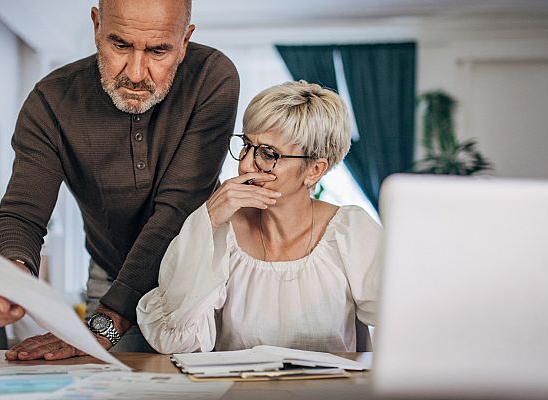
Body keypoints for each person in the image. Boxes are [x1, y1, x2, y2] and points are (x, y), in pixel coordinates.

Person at [0, 0, 239, 359]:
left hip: (198, 280)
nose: (137, 74)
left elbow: (178, 209)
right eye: (120, 45)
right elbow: (21, 213)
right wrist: (9, 272)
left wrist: (111, 318)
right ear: (96, 26)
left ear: (185, 41)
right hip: (109, 275)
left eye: (158, 50)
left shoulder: (212, 78)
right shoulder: (51, 101)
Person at [136, 81, 381, 354]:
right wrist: (207, 220)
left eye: (268, 154)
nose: (244, 165)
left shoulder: (351, 231)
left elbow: (408, 320)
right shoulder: (222, 233)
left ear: (314, 170)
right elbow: (174, 340)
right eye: (246, 145)